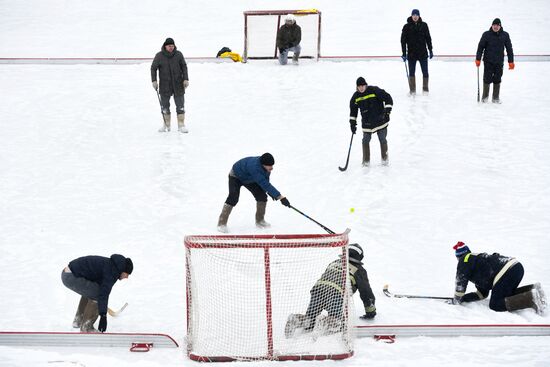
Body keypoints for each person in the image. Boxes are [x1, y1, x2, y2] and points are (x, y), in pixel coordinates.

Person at [285, 243, 376, 338]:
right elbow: (366, 293)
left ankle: (296, 320)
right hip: (336, 294)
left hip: (318, 291)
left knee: (310, 319)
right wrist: (370, 311)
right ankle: (324, 322)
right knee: (338, 323)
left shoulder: (334, 262)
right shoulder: (359, 270)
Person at [452, 241, 546, 314]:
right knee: (505, 296)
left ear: (458, 257)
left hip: (506, 271)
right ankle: (533, 290)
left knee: (495, 304)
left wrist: (457, 299)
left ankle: (532, 298)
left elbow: (461, 281)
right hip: (516, 267)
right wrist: (463, 298)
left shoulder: (465, 259)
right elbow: (482, 294)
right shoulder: (477, 263)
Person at [217, 153, 290, 232]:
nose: (272, 168)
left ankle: (260, 221)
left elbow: (265, 181)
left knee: (262, 196)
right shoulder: (254, 168)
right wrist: (280, 197)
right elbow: (263, 182)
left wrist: (270, 192)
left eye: (272, 165)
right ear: (263, 164)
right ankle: (221, 224)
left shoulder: (266, 168)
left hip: (249, 178)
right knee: (233, 198)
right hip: (236, 176)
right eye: (270, 166)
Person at [61, 254, 133, 332]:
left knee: (92, 291)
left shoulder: (111, 265)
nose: (127, 277)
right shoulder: (112, 272)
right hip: (71, 276)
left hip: (68, 274)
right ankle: (86, 327)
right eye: (127, 274)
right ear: (123, 271)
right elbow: (103, 294)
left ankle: (78, 321)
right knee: (97, 294)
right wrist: (103, 316)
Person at [349, 77, 393, 167]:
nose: (361, 88)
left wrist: (387, 112)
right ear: (357, 87)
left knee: (382, 139)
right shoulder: (356, 97)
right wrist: (352, 123)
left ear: (366, 85)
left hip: (380, 120)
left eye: (363, 85)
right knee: (365, 140)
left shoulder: (374, 90)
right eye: (359, 86)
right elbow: (353, 111)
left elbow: (388, 97)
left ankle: (385, 160)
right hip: (367, 123)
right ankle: (366, 162)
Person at [151, 37, 190, 132]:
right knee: (165, 106)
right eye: (169, 46)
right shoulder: (159, 56)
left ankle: (181, 125)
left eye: (172, 46)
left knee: (180, 105)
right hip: (165, 85)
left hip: (178, 84)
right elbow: (153, 68)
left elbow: (184, 66)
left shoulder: (179, 55)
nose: (171, 47)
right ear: (165, 46)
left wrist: (185, 79)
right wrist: (154, 81)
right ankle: (166, 125)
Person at [475, 18, 514, 103]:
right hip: (488, 61)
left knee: (497, 79)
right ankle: (484, 98)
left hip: (499, 62)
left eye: (497, 25)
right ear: (492, 25)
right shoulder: (486, 35)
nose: (495, 27)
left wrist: (511, 61)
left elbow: (509, 49)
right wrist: (478, 59)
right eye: (494, 25)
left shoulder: (505, 35)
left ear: (500, 26)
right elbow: (480, 47)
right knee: (487, 78)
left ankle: (495, 98)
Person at [401, 9, 433, 94]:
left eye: (416, 15)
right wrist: (404, 53)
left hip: (423, 54)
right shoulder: (406, 27)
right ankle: (412, 90)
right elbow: (403, 41)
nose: (415, 16)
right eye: (413, 15)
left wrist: (430, 50)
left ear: (419, 16)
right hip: (412, 54)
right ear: (411, 16)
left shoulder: (424, 25)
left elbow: (428, 38)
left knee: (425, 72)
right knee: (411, 73)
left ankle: (425, 90)